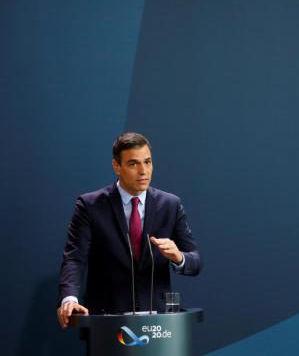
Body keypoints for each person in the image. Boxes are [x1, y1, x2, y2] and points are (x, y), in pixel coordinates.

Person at [57, 132, 201, 328]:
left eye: (148, 162)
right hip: (107, 319)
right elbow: (75, 258)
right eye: (134, 164)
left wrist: (179, 257)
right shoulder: (89, 205)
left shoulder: (171, 204)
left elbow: (195, 261)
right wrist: (69, 298)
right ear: (117, 166)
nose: (143, 171)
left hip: (159, 322)